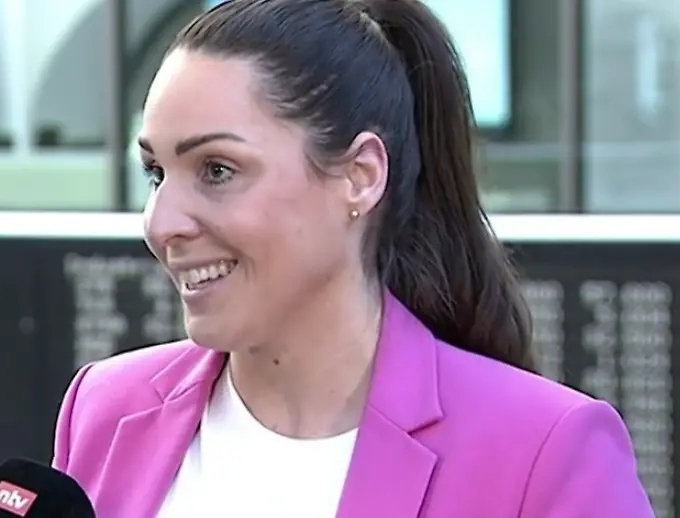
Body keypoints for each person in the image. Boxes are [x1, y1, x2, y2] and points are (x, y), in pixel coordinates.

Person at [52, 0, 655, 516]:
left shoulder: (545, 451)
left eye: (217, 170)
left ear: (360, 177)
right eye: (156, 173)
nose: (162, 224)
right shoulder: (106, 410)